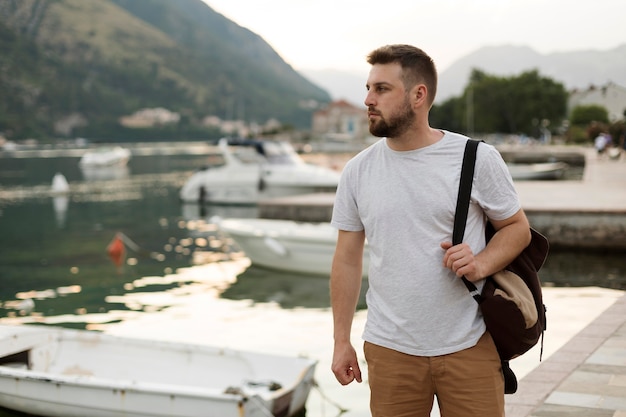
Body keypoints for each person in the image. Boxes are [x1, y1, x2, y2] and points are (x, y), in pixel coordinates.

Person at [329, 44, 532, 417]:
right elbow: (346, 259)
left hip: (469, 343)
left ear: (418, 95)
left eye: (382, 89)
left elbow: (517, 229)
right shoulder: (357, 171)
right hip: (390, 349)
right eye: (369, 87)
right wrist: (341, 341)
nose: (368, 99)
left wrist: (482, 263)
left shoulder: (475, 158)